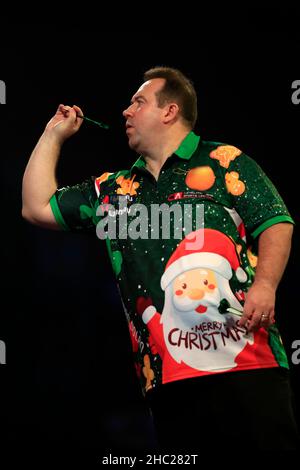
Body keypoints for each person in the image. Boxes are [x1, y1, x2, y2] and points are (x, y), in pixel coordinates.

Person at [22, 66, 300, 451]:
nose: (126, 112)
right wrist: (53, 133)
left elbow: (275, 222)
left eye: (138, 102)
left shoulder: (225, 162)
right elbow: (36, 207)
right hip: (169, 380)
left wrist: (266, 284)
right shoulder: (114, 190)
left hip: (250, 365)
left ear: (169, 111)